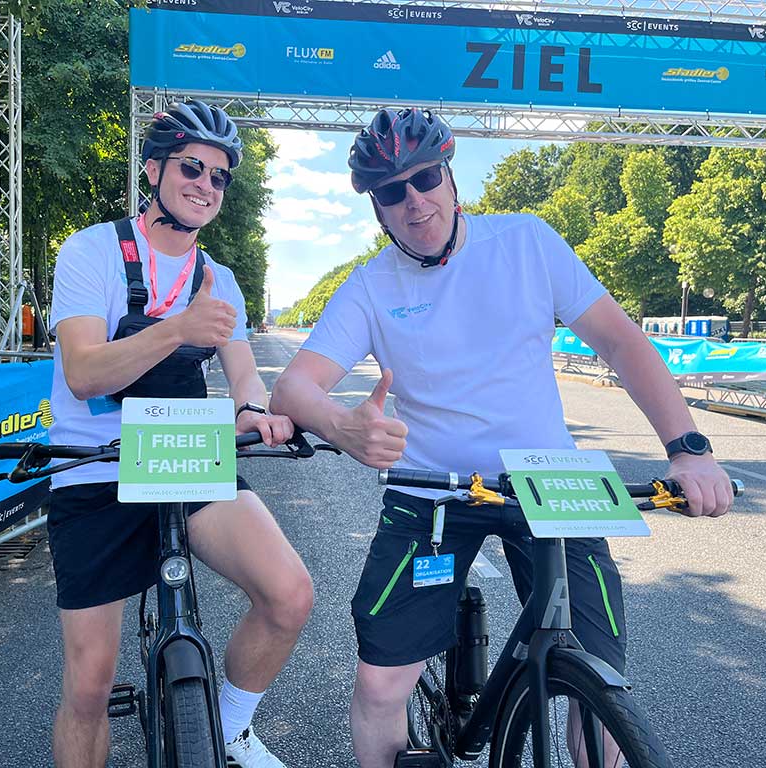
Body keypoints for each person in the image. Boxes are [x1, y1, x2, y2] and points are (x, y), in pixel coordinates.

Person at [270, 107, 734, 768]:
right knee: (380, 685)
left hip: (553, 482)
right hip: (433, 492)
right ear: (376, 208)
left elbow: (621, 342)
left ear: (451, 177)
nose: (415, 201)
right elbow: (293, 389)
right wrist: (343, 426)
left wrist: (689, 449)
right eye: (392, 192)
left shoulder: (528, 241)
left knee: (600, 690)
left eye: (425, 177)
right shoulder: (370, 286)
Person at [46, 99, 311, 768]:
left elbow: (245, 380)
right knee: (89, 684)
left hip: (183, 454)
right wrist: (175, 329)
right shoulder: (91, 251)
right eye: (194, 167)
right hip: (93, 466)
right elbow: (81, 374)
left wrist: (257, 413)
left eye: (220, 177)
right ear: (154, 168)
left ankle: (229, 726)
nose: (205, 185)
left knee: (289, 595)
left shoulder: (219, 279)